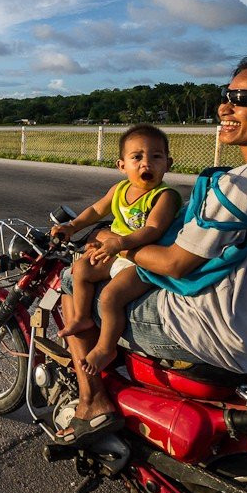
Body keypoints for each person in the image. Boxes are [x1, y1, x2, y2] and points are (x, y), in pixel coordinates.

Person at [53, 48, 247, 447]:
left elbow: (175, 264)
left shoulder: (243, 184)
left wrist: (111, 242)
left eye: (244, 98)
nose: (226, 107)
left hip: (210, 332)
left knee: (73, 280)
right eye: (227, 94)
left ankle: (91, 403)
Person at [50, 125, 182, 377]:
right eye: (137, 157)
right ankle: (82, 318)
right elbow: (96, 210)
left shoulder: (165, 196)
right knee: (81, 269)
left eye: (156, 157)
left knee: (111, 297)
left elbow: (153, 229)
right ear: (122, 165)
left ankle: (106, 348)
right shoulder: (119, 190)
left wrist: (119, 243)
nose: (146, 164)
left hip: (142, 261)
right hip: (116, 252)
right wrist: (72, 226)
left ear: (168, 164)